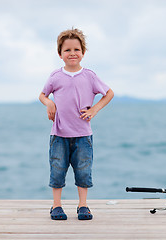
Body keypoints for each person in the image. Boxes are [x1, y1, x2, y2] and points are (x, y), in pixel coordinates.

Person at [39, 28, 114, 220]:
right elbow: (42, 94)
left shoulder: (89, 75)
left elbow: (109, 93)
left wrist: (94, 109)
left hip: (83, 135)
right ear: (60, 54)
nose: (72, 53)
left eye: (76, 49)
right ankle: (56, 206)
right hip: (58, 135)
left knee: (83, 171)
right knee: (57, 171)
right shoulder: (56, 76)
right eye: (67, 50)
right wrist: (49, 102)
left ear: (83, 52)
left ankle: (83, 206)